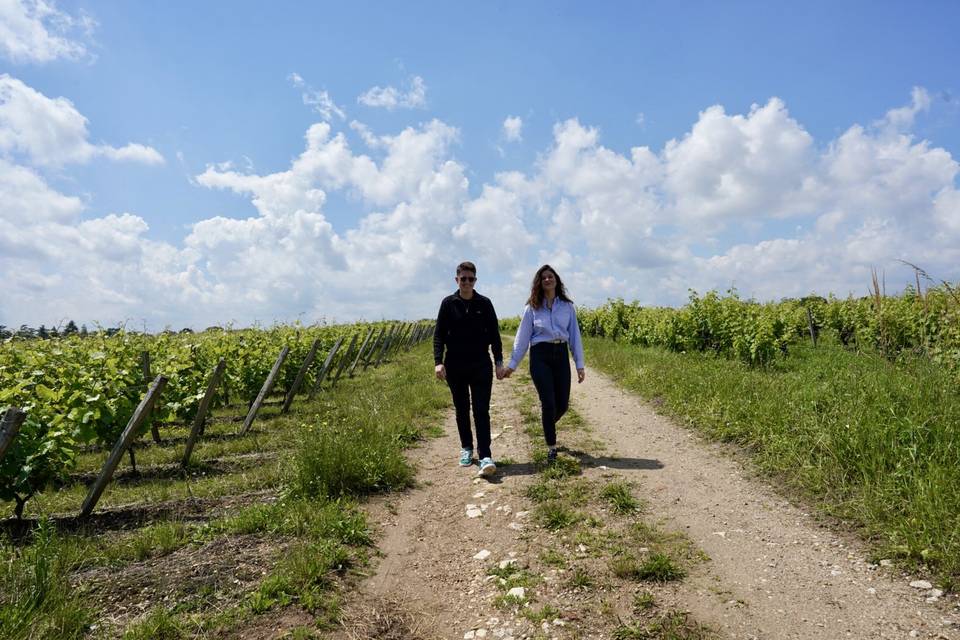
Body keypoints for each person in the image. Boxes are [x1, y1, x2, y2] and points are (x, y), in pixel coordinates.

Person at [502, 265, 585, 462]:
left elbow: (575, 336)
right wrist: (512, 365)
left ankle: (548, 424)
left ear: (556, 280)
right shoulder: (532, 307)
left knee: (562, 404)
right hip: (540, 355)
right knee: (548, 402)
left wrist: (579, 364)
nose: (547, 279)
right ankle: (551, 447)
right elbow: (522, 339)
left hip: (561, 354)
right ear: (539, 283)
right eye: (544, 277)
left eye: (551, 276)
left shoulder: (567, 306)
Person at [434, 261, 505, 477]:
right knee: (462, 409)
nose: (466, 282)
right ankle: (466, 447)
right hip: (455, 365)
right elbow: (438, 335)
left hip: (481, 365)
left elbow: (495, 334)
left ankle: (485, 455)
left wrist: (499, 362)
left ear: (475, 281)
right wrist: (438, 362)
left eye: (470, 279)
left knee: (481, 410)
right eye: (463, 278)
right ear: (457, 280)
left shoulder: (485, 303)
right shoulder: (448, 304)